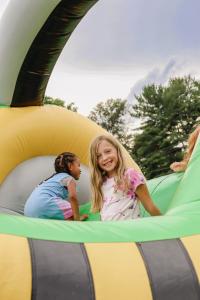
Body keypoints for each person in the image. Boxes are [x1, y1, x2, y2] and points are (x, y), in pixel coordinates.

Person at [89, 134, 161, 221]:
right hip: (110, 233)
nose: (104, 158)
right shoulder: (100, 182)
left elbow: (150, 206)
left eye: (108, 151)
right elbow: (103, 215)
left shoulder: (131, 175)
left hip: (131, 232)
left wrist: (167, 228)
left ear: (117, 150)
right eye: (98, 156)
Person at [24, 152, 88, 221]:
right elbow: (73, 197)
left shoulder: (53, 178)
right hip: (43, 203)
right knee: (74, 209)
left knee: (61, 207)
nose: (80, 169)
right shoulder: (69, 178)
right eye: (78, 165)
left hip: (28, 210)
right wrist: (77, 218)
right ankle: (71, 220)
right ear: (70, 166)